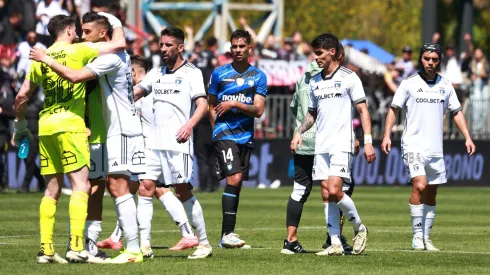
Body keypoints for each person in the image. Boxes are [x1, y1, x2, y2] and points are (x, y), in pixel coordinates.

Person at [29, 12, 145, 263]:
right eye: (81, 32)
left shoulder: (110, 58)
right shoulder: (104, 53)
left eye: (88, 32)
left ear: (103, 34)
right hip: (104, 129)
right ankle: (89, 245)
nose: (83, 37)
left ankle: (134, 248)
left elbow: (74, 76)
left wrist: (45, 57)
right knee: (98, 185)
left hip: (120, 129)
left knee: (118, 186)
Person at [381, 43, 476, 251]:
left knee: (432, 193)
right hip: (413, 144)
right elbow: (393, 109)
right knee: (420, 185)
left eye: (434, 59)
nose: (430, 63)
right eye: (426, 59)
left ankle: (426, 237)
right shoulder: (409, 84)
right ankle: (416, 236)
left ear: (439, 60)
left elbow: (457, 112)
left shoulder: (446, 85)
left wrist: (467, 137)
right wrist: (387, 135)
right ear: (420, 59)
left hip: (435, 148)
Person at [290, 33, 374, 256]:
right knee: (327, 194)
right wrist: (299, 132)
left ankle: (360, 228)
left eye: (319, 53)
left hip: (342, 144)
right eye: (314, 53)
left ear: (332, 52)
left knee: (336, 191)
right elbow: (311, 114)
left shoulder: (349, 77)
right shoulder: (315, 81)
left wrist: (367, 142)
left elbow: (363, 111)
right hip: (322, 146)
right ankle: (335, 242)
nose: (316, 57)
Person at [133, 27, 212, 260]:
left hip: (178, 141)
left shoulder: (192, 73)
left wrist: (189, 126)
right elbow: (137, 92)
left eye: (168, 45)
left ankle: (204, 243)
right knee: (146, 187)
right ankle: (144, 245)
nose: (163, 48)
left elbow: (203, 105)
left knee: (182, 190)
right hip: (153, 143)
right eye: (161, 44)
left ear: (180, 47)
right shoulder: (156, 73)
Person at [208, 30, 267, 248]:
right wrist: (216, 132)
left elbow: (258, 110)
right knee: (233, 179)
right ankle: (227, 235)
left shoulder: (258, 76)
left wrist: (235, 104)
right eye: (234, 47)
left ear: (250, 48)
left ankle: (227, 236)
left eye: (241, 47)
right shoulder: (219, 74)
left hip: (245, 135)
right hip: (224, 132)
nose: (237, 50)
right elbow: (210, 103)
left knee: (237, 182)